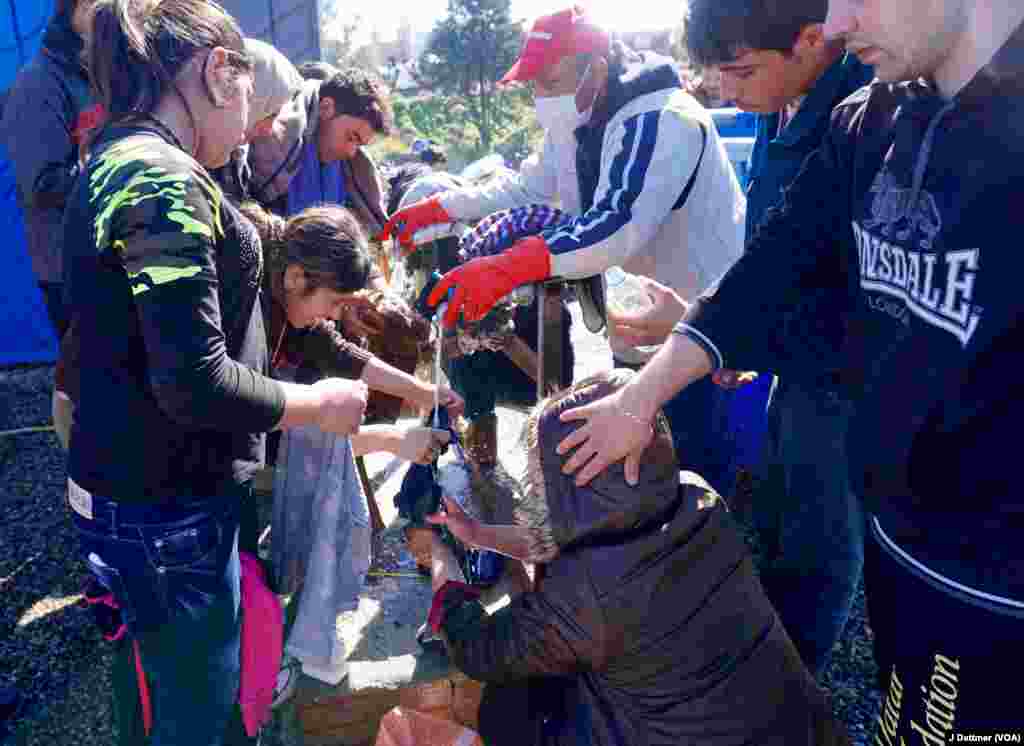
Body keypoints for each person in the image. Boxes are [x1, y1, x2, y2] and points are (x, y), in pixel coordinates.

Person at [557, 0, 1024, 737]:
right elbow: (767, 272)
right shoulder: (867, 122)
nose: (834, 27)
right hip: (898, 542)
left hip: (999, 586)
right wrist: (640, 398)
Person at [62, 1, 369, 742]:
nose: (258, 122)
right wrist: (316, 402)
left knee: (156, 690)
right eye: (251, 95)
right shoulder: (161, 180)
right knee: (195, 713)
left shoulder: (116, 156)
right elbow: (195, 381)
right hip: (167, 512)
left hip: (130, 494)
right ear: (213, 71)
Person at [384, 6, 746, 491]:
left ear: (595, 68)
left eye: (548, 80)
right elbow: (524, 187)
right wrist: (438, 209)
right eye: (533, 84)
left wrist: (507, 267)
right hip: (640, 327)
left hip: (704, 333)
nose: (540, 97)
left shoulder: (660, 120)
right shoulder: (579, 124)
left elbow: (616, 225)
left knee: (700, 478)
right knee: (648, 477)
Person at [425, 370, 850, 746]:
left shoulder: (582, 600)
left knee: (507, 709)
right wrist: (480, 534)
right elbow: (589, 538)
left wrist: (442, 562)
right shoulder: (697, 499)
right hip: (798, 727)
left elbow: (479, 649)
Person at [683, 0, 874, 675]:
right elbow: (769, 245)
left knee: (820, 541)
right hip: (790, 362)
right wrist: (739, 336)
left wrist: (733, 333)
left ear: (812, 40)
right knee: (777, 513)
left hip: (842, 375)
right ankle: (769, 659)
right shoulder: (780, 101)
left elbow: (835, 279)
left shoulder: (860, 113)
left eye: (739, 72)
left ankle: (799, 691)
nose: (729, 93)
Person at [1, 0, 103, 339]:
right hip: (73, 273)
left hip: (121, 261)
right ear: (82, 8)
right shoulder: (39, 85)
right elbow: (43, 185)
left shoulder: (115, 71)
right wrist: (121, 162)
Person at [247, 66, 392, 236]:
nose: (352, 152)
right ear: (326, 108)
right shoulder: (278, 149)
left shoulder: (346, 171)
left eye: (359, 145)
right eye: (351, 137)